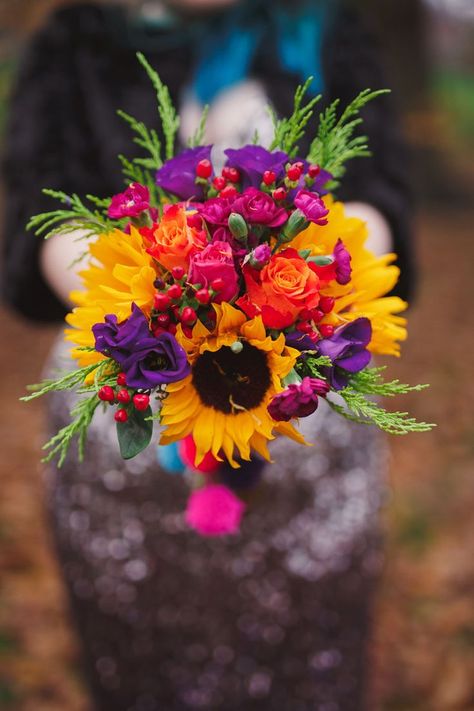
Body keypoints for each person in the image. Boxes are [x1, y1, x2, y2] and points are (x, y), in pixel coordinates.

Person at [1, 1, 414, 709]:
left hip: (310, 424)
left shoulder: (324, 29)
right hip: (121, 423)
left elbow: (380, 197)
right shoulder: (73, 40)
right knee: (141, 669)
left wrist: (310, 279)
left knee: (311, 663)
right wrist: (150, 295)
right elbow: (34, 220)